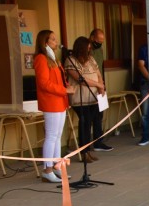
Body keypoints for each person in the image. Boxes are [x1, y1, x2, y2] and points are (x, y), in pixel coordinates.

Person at [34, 30, 69, 183]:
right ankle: (47, 170)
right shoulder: (41, 59)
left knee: (58, 136)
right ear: (45, 42)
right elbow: (44, 83)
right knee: (51, 136)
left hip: (60, 101)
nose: (56, 42)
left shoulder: (54, 59)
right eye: (53, 39)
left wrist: (67, 88)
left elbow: (60, 79)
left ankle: (57, 167)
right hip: (51, 102)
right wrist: (64, 90)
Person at [65, 37, 105, 163]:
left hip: (93, 97)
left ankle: (89, 150)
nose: (89, 50)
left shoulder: (92, 59)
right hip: (80, 99)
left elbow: (98, 74)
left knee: (92, 123)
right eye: (87, 47)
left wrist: (101, 87)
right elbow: (80, 79)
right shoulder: (71, 60)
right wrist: (98, 85)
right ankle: (83, 152)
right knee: (85, 123)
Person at [88, 28, 112, 152]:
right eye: (98, 40)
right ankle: (88, 144)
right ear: (92, 38)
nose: (100, 43)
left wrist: (102, 84)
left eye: (102, 41)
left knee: (99, 115)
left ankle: (99, 141)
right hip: (90, 85)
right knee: (91, 116)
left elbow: (100, 68)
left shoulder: (100, 49)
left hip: (100, 84)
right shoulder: (87, 49)